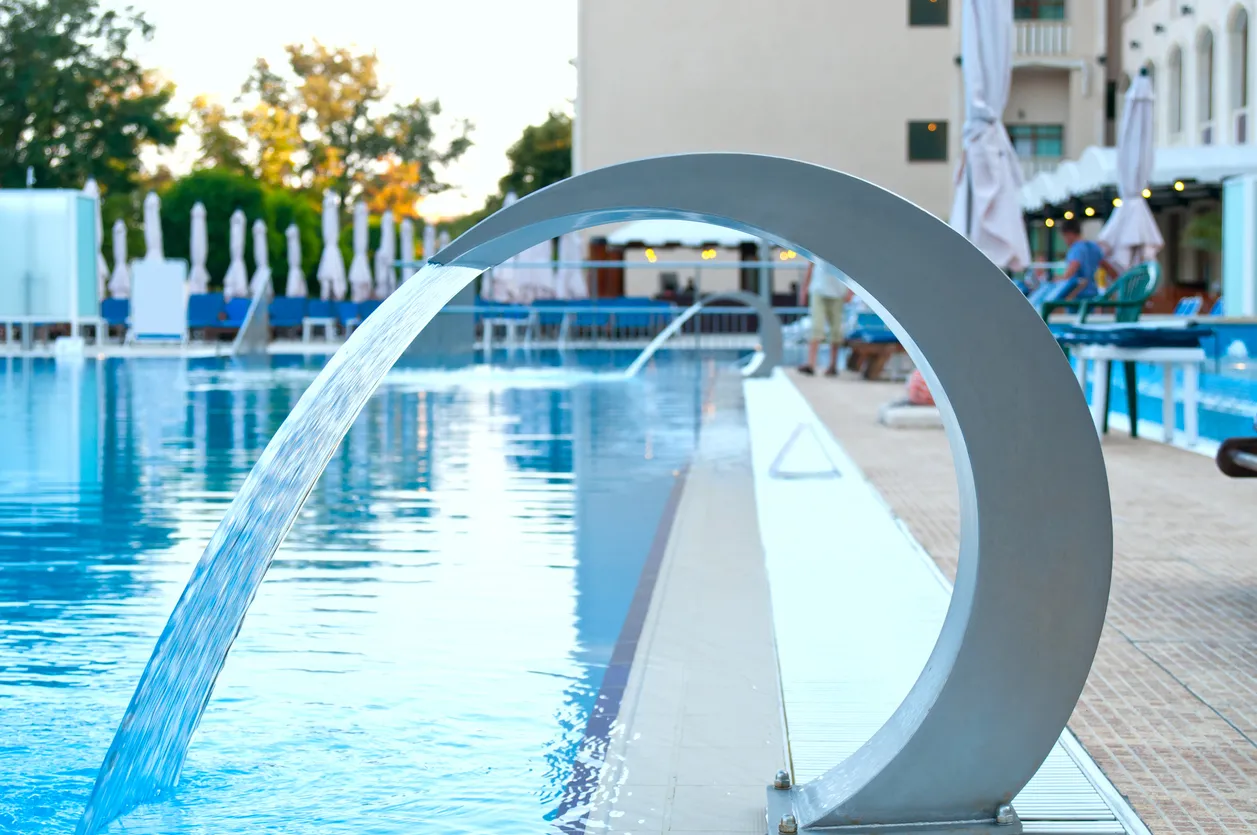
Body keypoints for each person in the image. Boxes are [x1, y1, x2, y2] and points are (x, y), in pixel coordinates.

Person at [798, 260, 846, 376]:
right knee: (816, 327)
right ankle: (811, 364)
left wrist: (850, 291)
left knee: (836, 329)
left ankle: (833, 365)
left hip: (838, 292)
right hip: (818, 290)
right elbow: (810, 265)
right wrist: (804, 288)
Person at [1058, 219, 1108, 298]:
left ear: (1069, 234)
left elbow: (1074, 265)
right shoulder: (1094, 246)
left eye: (1064, 237)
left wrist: (1059, 282)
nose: (1064, 241)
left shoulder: (1076, 248)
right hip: (1093, 293)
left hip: (1077, 295)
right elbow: (1107, 266)